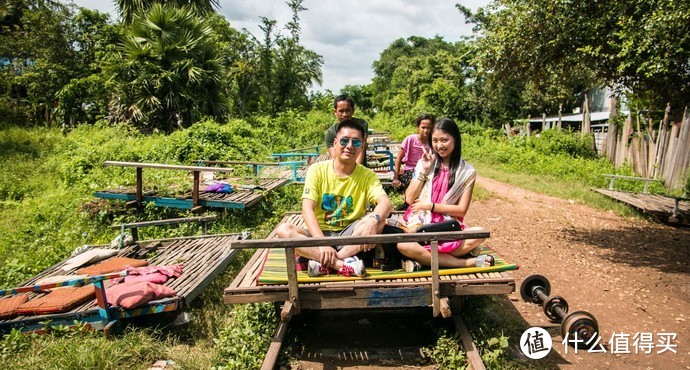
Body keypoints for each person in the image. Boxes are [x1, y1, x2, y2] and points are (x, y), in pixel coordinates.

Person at [276, 119, 393, 277]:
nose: (350, 146)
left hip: (350, 234)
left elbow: (385, 202)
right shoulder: (317, 170)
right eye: (345, 141)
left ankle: (325, 261)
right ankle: (340, 265)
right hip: (320, 233)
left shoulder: (367, 175)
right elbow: (307, 209)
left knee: (380, 221)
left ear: (362, 146)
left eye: (356, 142)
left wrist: (373, 219)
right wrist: (322, 242)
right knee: (284, 230)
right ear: (335, 143)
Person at [395, 118, 493, 271]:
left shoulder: (467, 172)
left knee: (480, 233)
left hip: (446, 227)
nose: (439, 146)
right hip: (421, 225)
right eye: (434, 141)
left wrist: (432, 206)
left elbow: (461, 210)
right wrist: (424, 171)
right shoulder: (425, 163)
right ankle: (464, 262)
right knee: (403, 245)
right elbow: (409, 198)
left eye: (444, 140)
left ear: (455, 139)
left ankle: (427, 258)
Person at [392, 113, 433, 209]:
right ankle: (408, 203)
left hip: (427, 170)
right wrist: (395, 178)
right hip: (411, 170)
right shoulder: (410, 139)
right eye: (423, 127)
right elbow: (399, 158)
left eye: (429, 128)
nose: (426, 130)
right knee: (414, 180)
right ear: (418, 127)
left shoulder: (433, 142)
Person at [325, 95, 368, 165]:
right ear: (335, 112)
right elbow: (335, 157)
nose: (344, 114)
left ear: (353, 111)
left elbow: (361, 150)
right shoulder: (331, 133)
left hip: (360, 170)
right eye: (341, 111)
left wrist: (356, 172)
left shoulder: (361, 125)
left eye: (347, 110)